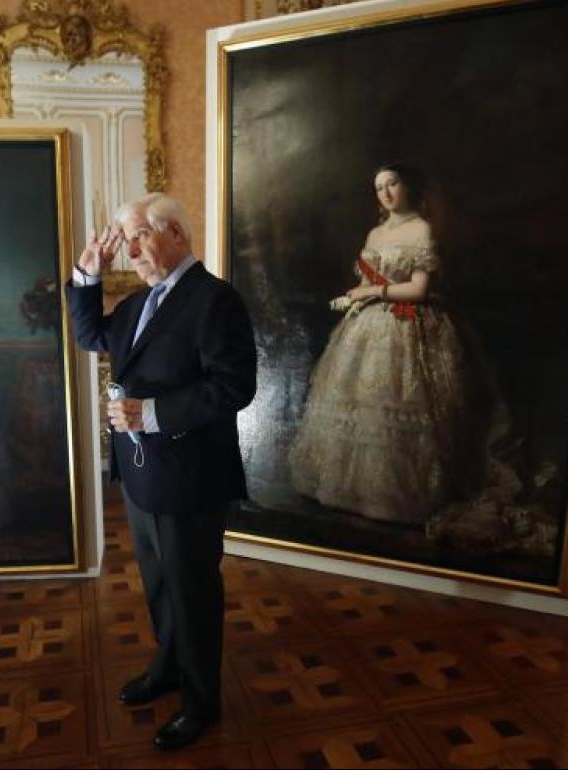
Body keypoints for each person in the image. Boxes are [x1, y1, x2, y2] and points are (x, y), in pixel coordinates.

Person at [66, 193, 256, 751]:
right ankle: (169, 668)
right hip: (143, 477)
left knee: (193, 592)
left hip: (191, 478)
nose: (131, 250)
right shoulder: (138, 304)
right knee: (159, 584)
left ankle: (201, 702)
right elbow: (90, 336)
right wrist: (86, 274)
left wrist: (149, 414)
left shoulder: (214, 300)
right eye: (125, 241)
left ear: (175, 233)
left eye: (140, 236)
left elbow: (234, 387)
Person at [288, 163, 516, 525]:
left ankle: (401, 498)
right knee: (359, 398)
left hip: (410, 326)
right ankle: (354, 492)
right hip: (369, 326)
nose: (386, 193)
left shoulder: (421, 229)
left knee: (406, 403)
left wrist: (373, 291)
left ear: (407, 186)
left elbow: (419, 290)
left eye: (392, 184)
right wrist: (357, 296)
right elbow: (367, 278)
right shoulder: (375, 235)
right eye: (379, 188)